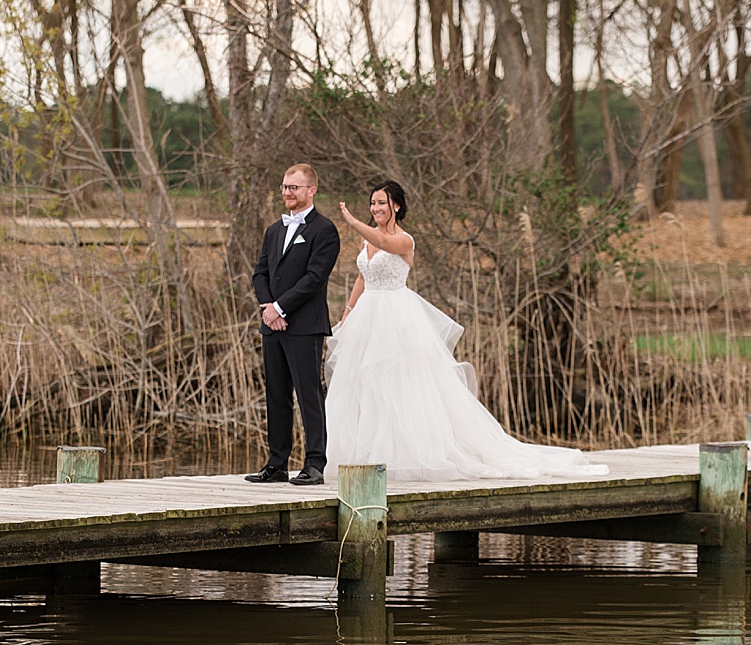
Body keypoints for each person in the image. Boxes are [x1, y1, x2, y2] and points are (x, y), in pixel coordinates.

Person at [327, 180, 607, 483]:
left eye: (381, 203)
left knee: (402, 382)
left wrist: (353, 221)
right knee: (366, 383)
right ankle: (371, 457)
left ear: (395, 205)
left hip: (396, 316)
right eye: (372, 203)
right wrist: (347, 313)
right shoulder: (366, 241)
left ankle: (411, 454)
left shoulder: (404, 240)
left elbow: (384, 244)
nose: (375, 208)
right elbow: (361, 277)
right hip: (368, 315)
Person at [247, 163, 341, 485]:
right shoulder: (274, 230)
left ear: (311, 190)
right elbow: (259, 273)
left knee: (308, 395)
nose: (287, 192)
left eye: (294, 188)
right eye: (285, 187)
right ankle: (277, 463)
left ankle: (315, 464)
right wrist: (268, 308)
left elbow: (315, 278)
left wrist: (281, 308)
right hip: (272, 325)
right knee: (276, 394)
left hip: (304, 325)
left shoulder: (324, 230)